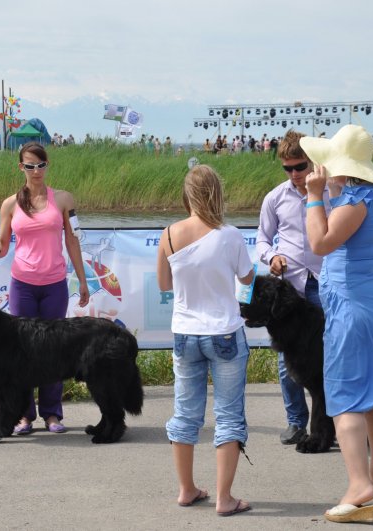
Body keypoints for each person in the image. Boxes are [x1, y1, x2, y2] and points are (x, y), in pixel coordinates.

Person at [300, 125, 373, 524]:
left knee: (345, 396)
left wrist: (313, 196)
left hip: (355, 308)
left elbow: (321, 243)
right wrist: (330, 190)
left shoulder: (358, 198)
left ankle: (359, 486)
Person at [156, 164, 255, 517]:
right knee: (228, 415)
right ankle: (224, 498)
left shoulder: (169, 234)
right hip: (225, 331)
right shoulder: (230, 235)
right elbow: (247, 276)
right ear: (218, 193)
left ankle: (187, 489)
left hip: (185, 331)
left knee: (185, 414)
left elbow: (164, 284)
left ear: (188, 195)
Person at [0, 141, 90, 435]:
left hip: (55, 284)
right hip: (22, 285)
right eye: (30, 166)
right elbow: (3, 245)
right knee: (22, 353)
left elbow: (72, 240)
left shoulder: (64, 199)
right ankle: (23, 416)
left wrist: (81, 279)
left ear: (47, 165)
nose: (36, 171)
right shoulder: (10, 204)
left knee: (53, 351)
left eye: (41, 165)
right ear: (21, 168)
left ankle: (52, 414)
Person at [256, 129, 330, 445]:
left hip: (327, 283)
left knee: (336, 354)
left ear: (313, 162)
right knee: (289, 363)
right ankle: (296, 422)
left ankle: (337, 423)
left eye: (300, 166)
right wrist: (272, 256)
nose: (295, 174)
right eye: (288, 168)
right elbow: (261, 239)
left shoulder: (333, 191)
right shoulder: (275, 198)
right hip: (292, 289)